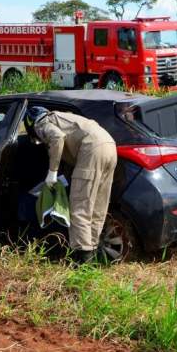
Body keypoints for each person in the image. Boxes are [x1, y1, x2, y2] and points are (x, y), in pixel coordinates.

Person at [24, 107, 117, 264]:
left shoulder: (42, 123)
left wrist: (52, 172)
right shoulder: (64, 118)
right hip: (109, 146)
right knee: (97, 208)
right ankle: (92, 253)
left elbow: (57, 137)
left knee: (80, 209)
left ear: (30, 123)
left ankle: (82, 262)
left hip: (91, 150)